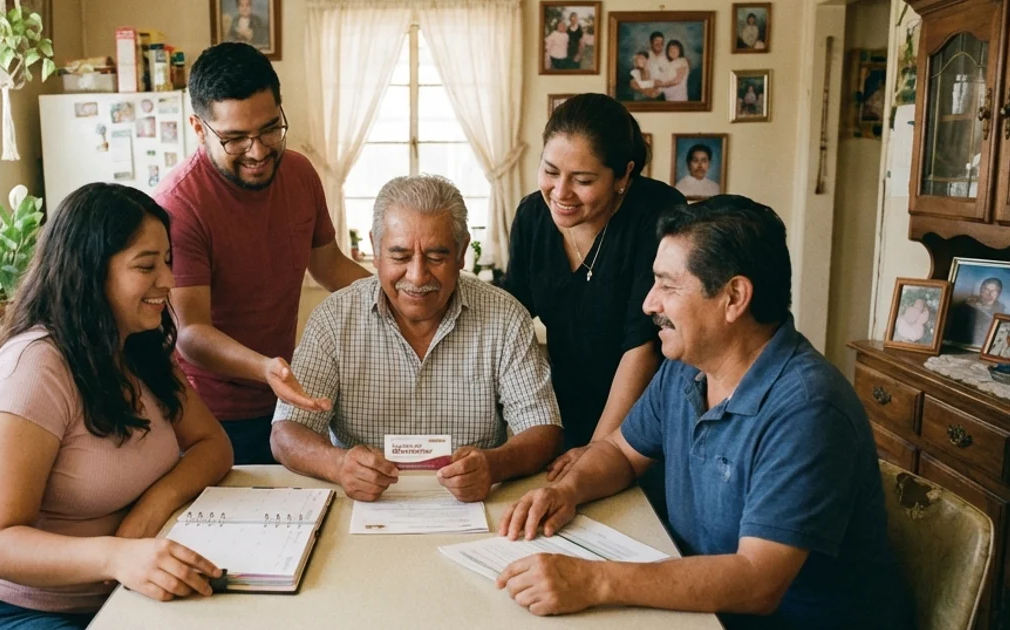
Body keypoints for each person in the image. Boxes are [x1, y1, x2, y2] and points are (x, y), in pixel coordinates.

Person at [497, 195, 913, 630]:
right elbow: (621, 452)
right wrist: (567, 490)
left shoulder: (808, 410)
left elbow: (757, 581)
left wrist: (595, 580)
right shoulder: (685, 368)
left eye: (668, 286)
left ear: (734, 297)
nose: (649, 304)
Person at [0, 183, 235, 629]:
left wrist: (148, 512)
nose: (167, 281)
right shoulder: (32, 370)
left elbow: (213, 445)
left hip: (105, 599)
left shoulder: (139, 348)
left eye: (167, 261)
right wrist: (117, 553)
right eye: (146, 266)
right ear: (89, 273)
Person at [271, 175, 563, 503]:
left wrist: (494, 465)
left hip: (472, 506)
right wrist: (338, 465)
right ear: (375, 250)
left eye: (436, 257)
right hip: (365, 507)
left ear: (462, 251)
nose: (417, 276)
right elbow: (287, 432)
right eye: (400, 257)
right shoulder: (335, 319)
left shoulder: (505, 317)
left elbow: (543, 429)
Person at [156, 43, 370, 465]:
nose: (258, 152)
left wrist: (400, 294)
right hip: (205, 417)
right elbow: (191, 332)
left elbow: (329, 266)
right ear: (199, 129)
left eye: (270, 129)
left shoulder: (299, 174)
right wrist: (266, 369)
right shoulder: (179, 205)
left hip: (283, 406)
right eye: (235, 139)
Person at [501, 93, 685, 486]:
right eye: (550, 171)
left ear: (623, 176)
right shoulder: (534, 215)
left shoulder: (657, 215)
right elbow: (509, 313)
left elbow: (642, 345)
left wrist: (601, 454)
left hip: (645, 421)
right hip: (568, 405)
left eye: (582, 180)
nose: (560, 193)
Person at [950, 277, 1008, 348]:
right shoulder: (966, 307)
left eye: (994, 291)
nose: (989, 293)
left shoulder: (1002, 312)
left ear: (999, 294)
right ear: (981, 289)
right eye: (986, 289)